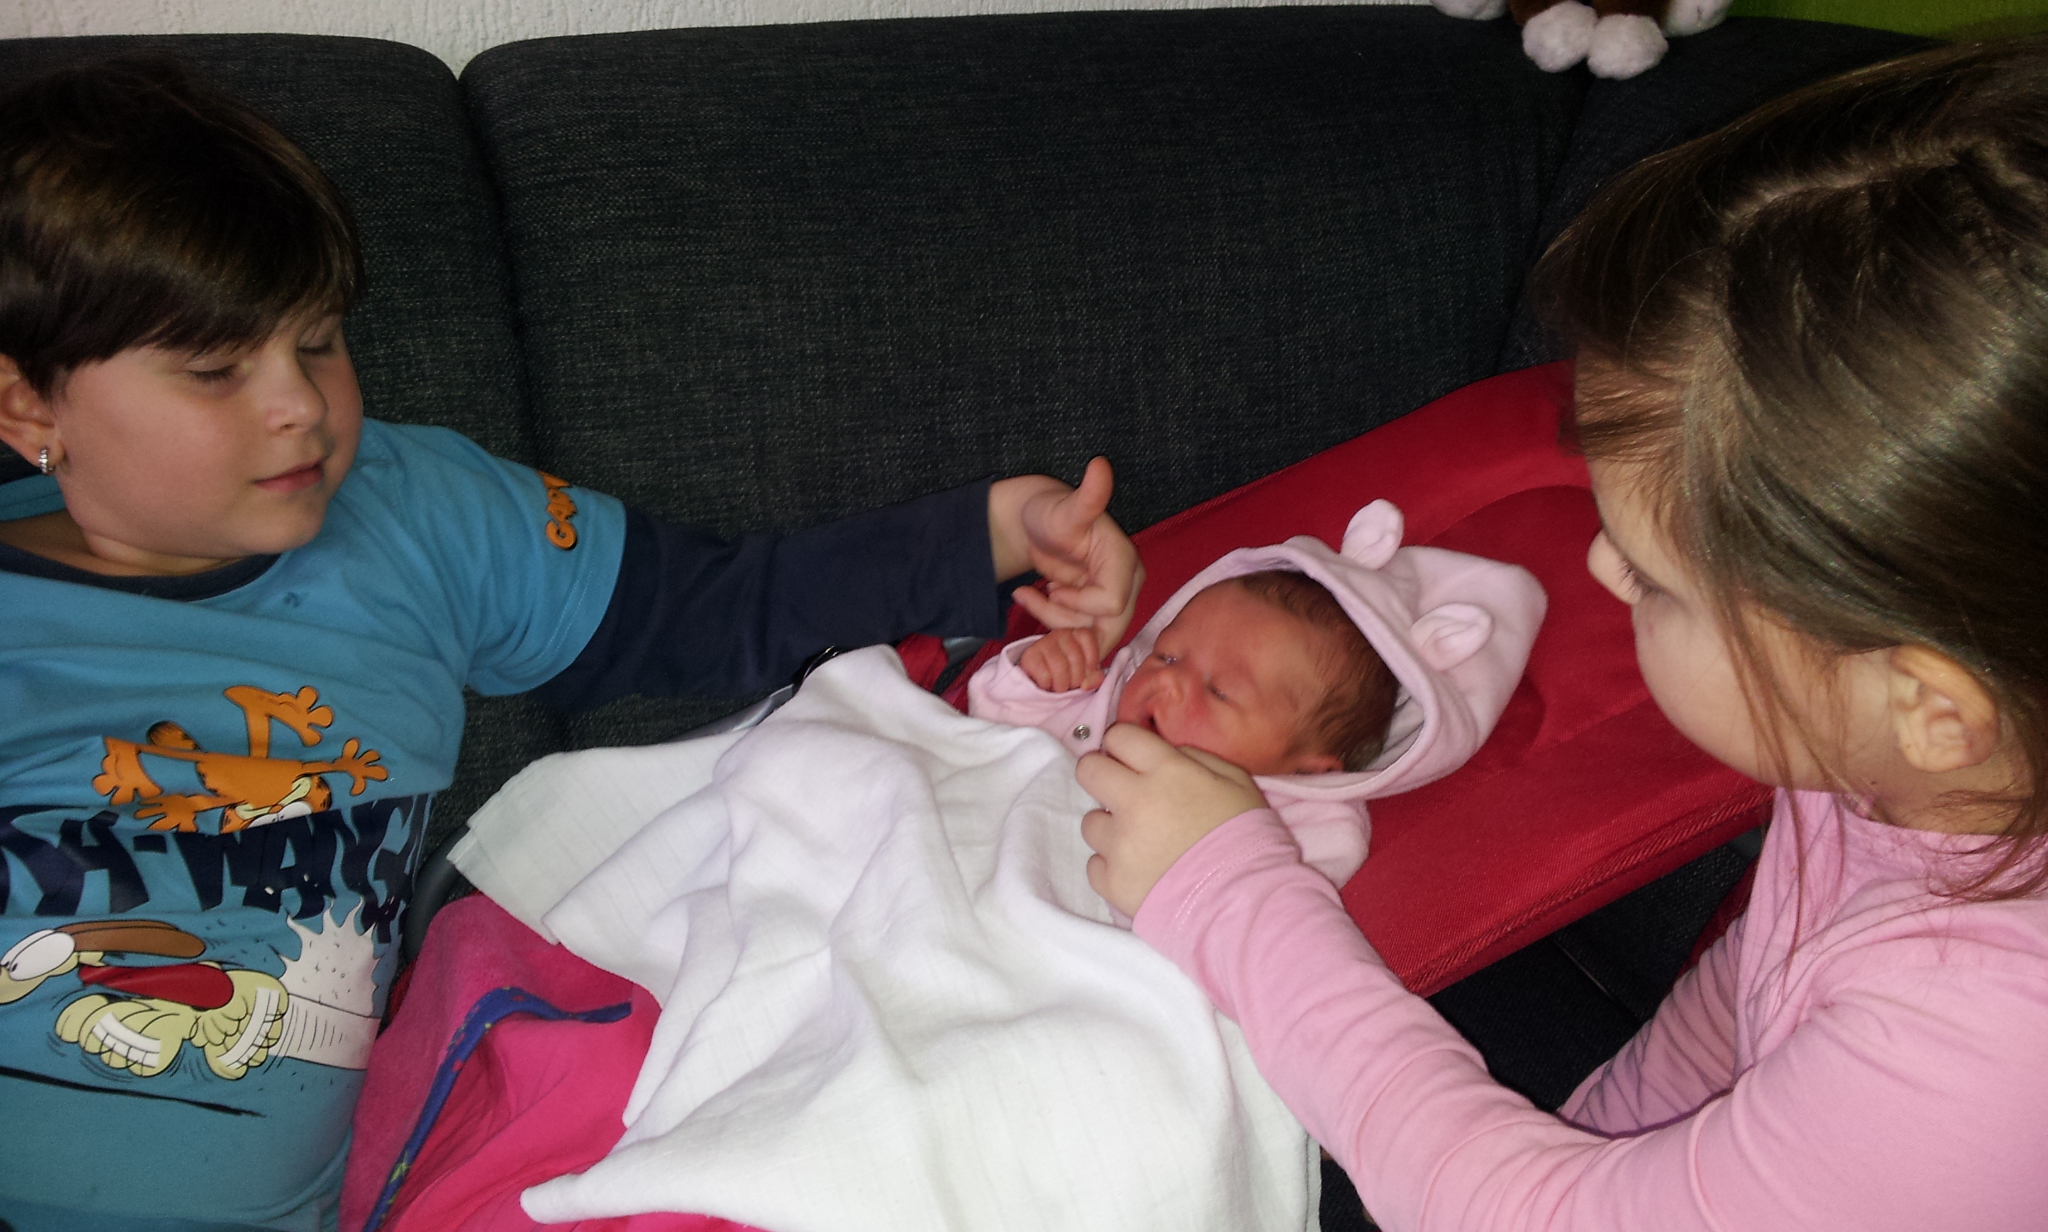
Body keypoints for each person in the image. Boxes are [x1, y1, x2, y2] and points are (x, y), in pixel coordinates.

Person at [0, 56, 1139, 1232]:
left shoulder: (415, 513)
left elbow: (718, 608)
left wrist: (996, 529)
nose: (300, 404)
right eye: (215, 370)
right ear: (32, 404)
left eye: (321, 342)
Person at [1078, 37, 2048, 1231]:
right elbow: (1735, 1000)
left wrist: (1227, 891)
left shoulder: (1990, 1049)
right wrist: (1597, 1126)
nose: (1599, 566)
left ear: (1929, 704)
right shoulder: (1896, 749)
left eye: (1656, 580)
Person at [969, 499, 1545, 884]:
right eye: (1167, 654)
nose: (1166, 679)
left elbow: (1267, 927)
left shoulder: (1306, 829)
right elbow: (983, 742)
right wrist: (1036, 681)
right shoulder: (1102, 698)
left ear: (1310, 768)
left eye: (1220, 692)